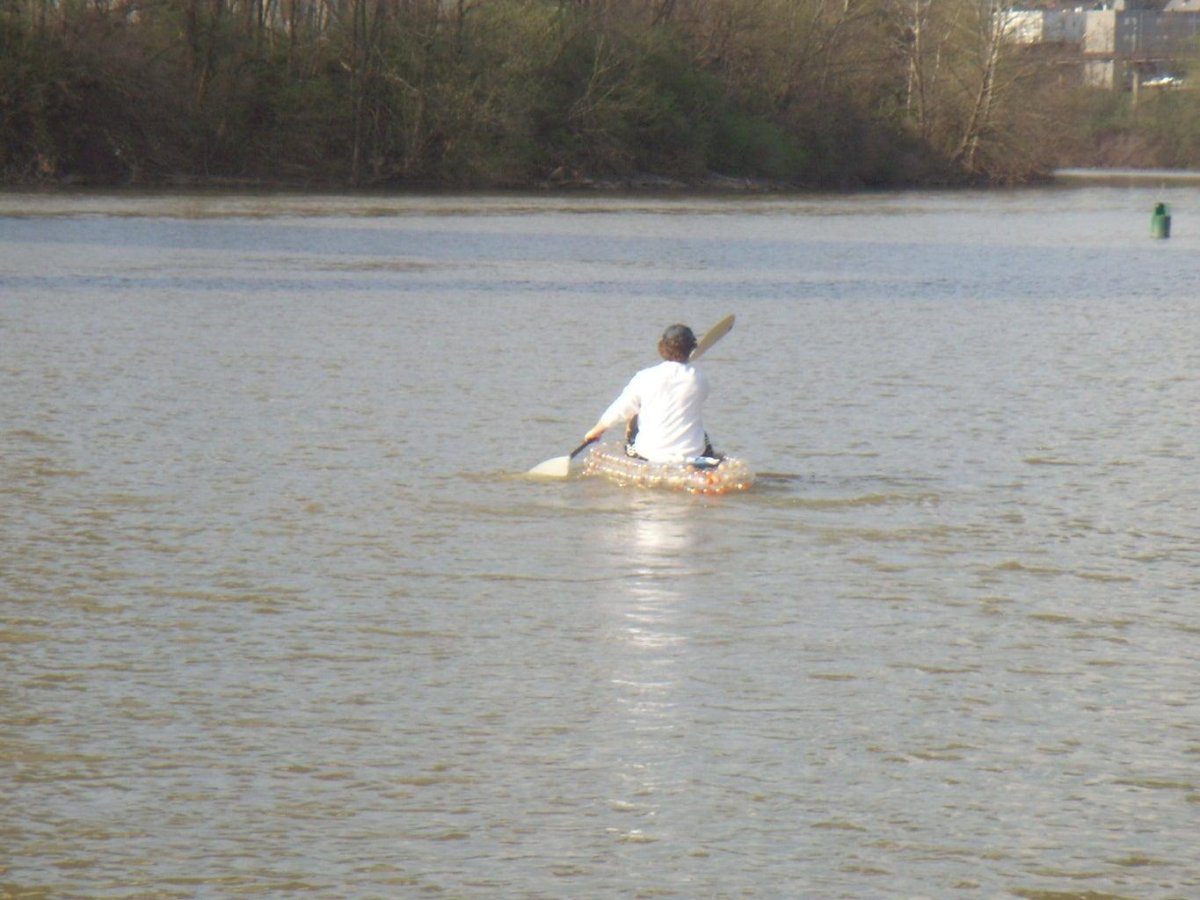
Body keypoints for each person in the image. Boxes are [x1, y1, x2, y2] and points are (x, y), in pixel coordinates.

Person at [583, 324, 715, 462]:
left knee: (633, 414)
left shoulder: (645, 377)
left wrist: (596, 431)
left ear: (663, 347)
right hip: (692, 453)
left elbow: (621, 409)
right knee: (701, 433)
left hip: (649, 453)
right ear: (691, 348)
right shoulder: (701, 379)